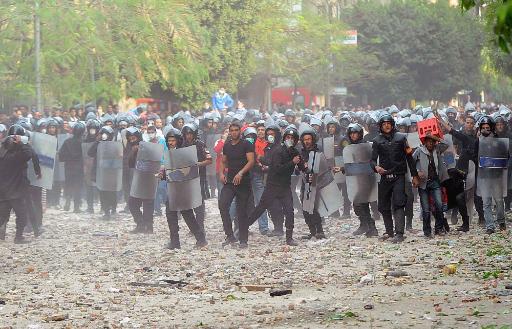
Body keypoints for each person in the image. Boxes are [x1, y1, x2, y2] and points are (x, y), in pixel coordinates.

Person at [244, 125, 301, 246]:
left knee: (289, 211)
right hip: (272, 186)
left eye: (292, 138)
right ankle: (243, 229)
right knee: (260, 208)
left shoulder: (294, 151)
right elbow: (278, 168)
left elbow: (301, 166)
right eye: (288, 137)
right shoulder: (278, 150)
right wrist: (292, 162)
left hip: (285, 186)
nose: (290, 140)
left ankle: (289, 238)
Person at [371, 114, 419, 243]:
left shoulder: (402, 138)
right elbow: (372, 160)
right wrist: (376, 167)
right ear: (380, 126)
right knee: (383, 206)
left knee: (398, 203)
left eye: (388, 123)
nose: (386, 125)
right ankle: (389, 231)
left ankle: (399, 233)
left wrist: (414, 175)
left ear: (392, 124)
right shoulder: (377, 140)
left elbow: (409, 157)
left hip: (399, 175)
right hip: (385, 176)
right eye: (384, 124)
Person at [163, 128, 208, 249]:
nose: (171, 143)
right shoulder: (170, 154)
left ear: (178, 141)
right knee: (171, 214)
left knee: (187, 215)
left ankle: (200, 238)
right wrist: (163, 174)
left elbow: (187, 171)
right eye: (169, 141)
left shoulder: (183, 153)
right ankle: (175, 242)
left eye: (173, 140)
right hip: (173, 187)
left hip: (183, 188)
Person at [218, 121, 255, 248]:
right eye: (232, 130)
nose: (234, 132)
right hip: (230, 181)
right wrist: (221, 173)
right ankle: (230, 236)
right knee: (223, 204)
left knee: (242, 211)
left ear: (240, 131)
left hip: (243, 182)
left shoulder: (246, 144)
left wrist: (241, 173)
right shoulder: (227, 146)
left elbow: (251, 161)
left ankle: (243, 240)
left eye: (236, 130)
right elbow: (223, 161)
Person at [342, 123, 378, 237]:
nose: (353, 136)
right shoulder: (350, 148)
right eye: (351, 133)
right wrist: (343, 168)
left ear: (360, 134)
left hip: (367, 178)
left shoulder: (366, 146)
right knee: (361, 204)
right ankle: (368, 227)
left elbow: (367, 162)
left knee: (359, 202)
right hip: (358, 179)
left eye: (355, 133)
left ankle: (368, 226)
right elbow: (353, 164)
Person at [0, 125, 34, 243]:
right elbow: (28, 154)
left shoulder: (2, 155)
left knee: (2, 216)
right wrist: (21, 143)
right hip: (16, 191)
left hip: (3, 191)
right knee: (22, 215)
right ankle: (18, 237)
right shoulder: (17, 156)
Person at [413, 134, 450, 237]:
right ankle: (427, 231)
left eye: (432, 141)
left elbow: (446, 144)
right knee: (426, 208)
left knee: (439, 205)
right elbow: (411, 163)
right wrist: (416, 172)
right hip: (423, 183)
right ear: (424, 142)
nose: (430, 143)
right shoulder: (419, 151)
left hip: (435, 181)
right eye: (428, 141)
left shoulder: (437, 150)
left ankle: (439, 228)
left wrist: (435, 137)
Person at [297, 126, 326, 240]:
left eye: (309, 139)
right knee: (305, 207)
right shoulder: (301, 151)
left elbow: (324, 166)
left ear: (313, 139)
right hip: (304, 180)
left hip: (316, 180)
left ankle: (319, 230)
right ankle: (312, 231)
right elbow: (298, 168)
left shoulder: (318, 150)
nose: (307, 141)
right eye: (305, 139)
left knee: (313, 207)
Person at [126, 127, 157, 234]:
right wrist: (133, 152)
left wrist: (141, 150)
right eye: (130, 138)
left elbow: (154, 160)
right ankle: (140, 223)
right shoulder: (129, 147)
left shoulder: (146, 145)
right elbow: (130, 164)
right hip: (137, 178)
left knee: (148, 202)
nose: (132, 140)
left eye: (133, 138)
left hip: (148, 177)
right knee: (132, 203)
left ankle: (149, 226)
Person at [88, 126, 119, 220]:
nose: (104, 136)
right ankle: (106, 211)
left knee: (111, 191)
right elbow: (90, 153)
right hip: (100, 171)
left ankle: (113, 208)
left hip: (111, 171)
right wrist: (97, 142)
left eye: (106, 134)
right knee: (102, 191)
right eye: (102, 134)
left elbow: (118, 158)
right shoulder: (98, 144)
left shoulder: (115, 145)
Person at [243, 126, 269, 235]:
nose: (251, 138)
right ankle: (242, 226)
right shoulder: (243, 145)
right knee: (243, 202)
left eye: (252, 136)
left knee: (260, 201)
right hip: (246, 176)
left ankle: (263, 227)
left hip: (258, 174)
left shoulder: (264, 144)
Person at [59, 122, 85, 213]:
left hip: (69, 167)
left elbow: (61, 156)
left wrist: (68, 158)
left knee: (69, 185)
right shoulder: (83, 143)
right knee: (78, 186)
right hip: (80, 168)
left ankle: (68, 199)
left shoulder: (67, 142)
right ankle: (76, 207)